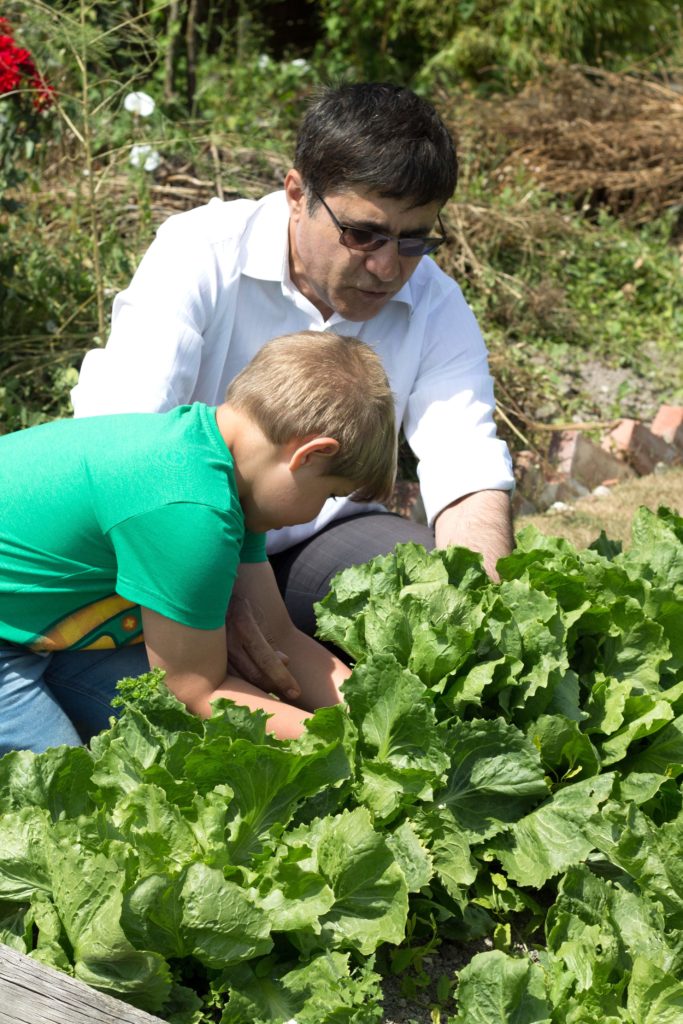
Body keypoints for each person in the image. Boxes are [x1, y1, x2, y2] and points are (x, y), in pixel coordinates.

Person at [71, 81, 515, 696]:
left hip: (319, 541)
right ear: (297, 194)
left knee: (431, 594)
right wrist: (210, 589)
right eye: (363, 234)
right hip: (167, 543)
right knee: (159, 700)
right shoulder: (199, 252)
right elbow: (119, 436)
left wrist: (492, 619)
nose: (388, 267)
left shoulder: (434, 300)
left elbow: (467, 467)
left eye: (414, 240)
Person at [0, 332, 396, 755]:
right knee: (59, 791)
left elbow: (277, 632)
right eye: (330, 494)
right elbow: (193, 692)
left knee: (166, 740)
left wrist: (382, 715)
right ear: (310, 455)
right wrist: (353, 747)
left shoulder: (218, 465)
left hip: (39, 629)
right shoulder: (187, 504)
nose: (318, 511)